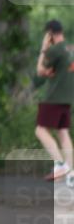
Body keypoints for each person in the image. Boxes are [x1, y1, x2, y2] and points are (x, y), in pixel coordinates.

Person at [33, 19, 73, 182]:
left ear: (50, 34)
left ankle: (60, 165)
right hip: (67, 98)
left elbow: (39, 72)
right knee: (63, 133)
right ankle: (70, 174)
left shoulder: (55, 50)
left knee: (40, 131)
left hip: (53, 98)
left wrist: (43, 49)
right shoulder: (69, 51)